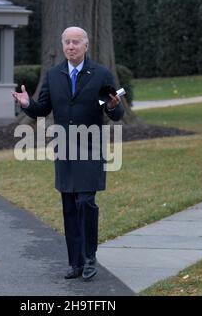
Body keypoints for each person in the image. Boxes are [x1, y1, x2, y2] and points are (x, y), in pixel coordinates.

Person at [12, 27, 125, 281]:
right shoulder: (54, 75)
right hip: (64, 149)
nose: (71, 46)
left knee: (86, 202)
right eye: (67, 42)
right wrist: (28, 104)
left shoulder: (100, 74)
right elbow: (42, 109)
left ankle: (89, 258)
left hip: (90, 148)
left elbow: (116, 113)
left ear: (86, 46)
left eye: (76, 42)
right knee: (69, 206)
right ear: (63, 46)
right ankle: (74, 263)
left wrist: (112, 106)